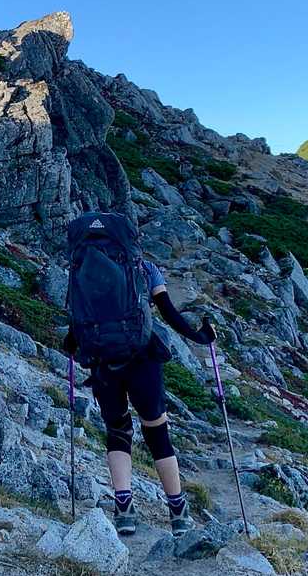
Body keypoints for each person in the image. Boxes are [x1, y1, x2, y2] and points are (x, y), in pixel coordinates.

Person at [63, 211, 216, 537]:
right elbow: (168, 312)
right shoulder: (145, 269)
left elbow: (78, 317)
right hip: (142, 357)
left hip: (102, 359)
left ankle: (124, 510)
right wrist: (201, 336)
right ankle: (178, 512)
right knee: (157, 433)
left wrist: (73, 345)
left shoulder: (81, 267)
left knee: (117, 431)